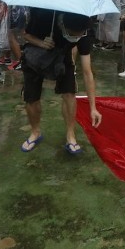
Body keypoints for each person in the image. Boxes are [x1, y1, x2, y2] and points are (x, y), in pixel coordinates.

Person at [20, 9, 102, 154]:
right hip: (35, 56)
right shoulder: (43, 15)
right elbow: (25, 34)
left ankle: (71, 135)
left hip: (62, 57)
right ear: (63, 25)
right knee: (31, 98)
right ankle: (35, 132)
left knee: (70, 94)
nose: (76, 38)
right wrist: (40, 43)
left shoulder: (85, 32)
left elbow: (87, 72)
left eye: (79, 36)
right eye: (72, 35)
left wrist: (93, 107)